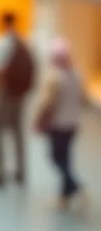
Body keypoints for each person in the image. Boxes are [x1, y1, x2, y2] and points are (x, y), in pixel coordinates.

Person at [32, 38, 88, 210]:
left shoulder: (54, 77)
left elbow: (47, 102)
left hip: (58, 125)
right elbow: (83, 99)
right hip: (73, 124)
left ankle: (75, 186)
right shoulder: (78, 74)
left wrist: (37, 120)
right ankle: (64, 197)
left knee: (55, 158)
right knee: (66, 158)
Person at [0, 12, 35, 188]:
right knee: (17, 131)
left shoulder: (4, 42)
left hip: (5, 93)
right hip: (19, 94)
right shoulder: (21, 42)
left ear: (3, 23)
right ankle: (21, 172)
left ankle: (0, 174)